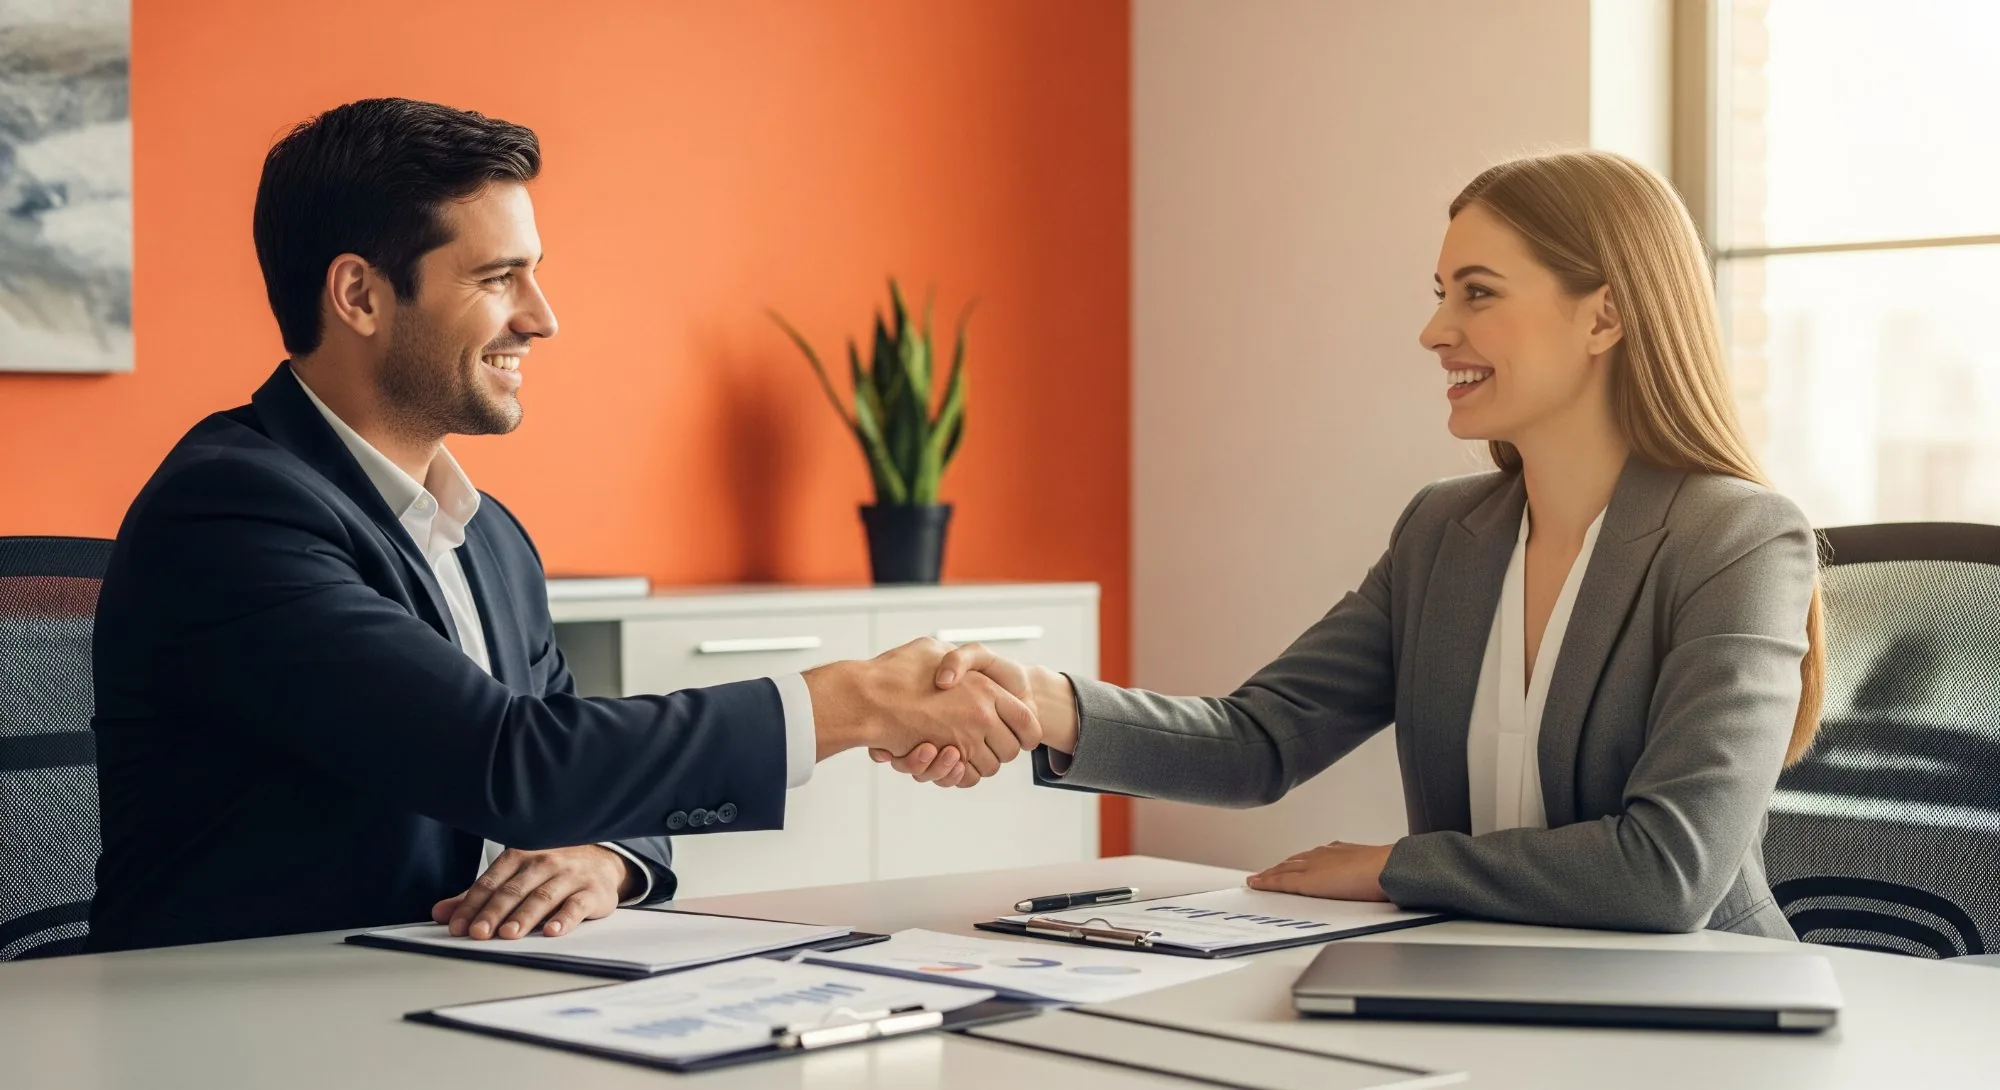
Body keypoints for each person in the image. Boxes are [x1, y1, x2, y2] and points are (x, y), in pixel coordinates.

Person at [87, 98, 1038, 954]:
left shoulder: (488, 536)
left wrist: (607, 859)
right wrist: (850, 700)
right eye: (500, 278)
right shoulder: (229, 515)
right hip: (247, 1020)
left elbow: (590, 770)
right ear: (361, 296)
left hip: (445, 996)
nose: (542, 319)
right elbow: (510, 762)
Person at [899, 150, 1822, 938]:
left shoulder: (1736, 539)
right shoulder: (1443, 533)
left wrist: (1395, 868)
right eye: (1439, 295)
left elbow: (1669, 872)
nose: (1434, 331)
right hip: (1476, 979)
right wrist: (1044, 702)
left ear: (1604, 317)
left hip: (1705, 1010)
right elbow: (1258, 741)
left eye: (1478, 294)